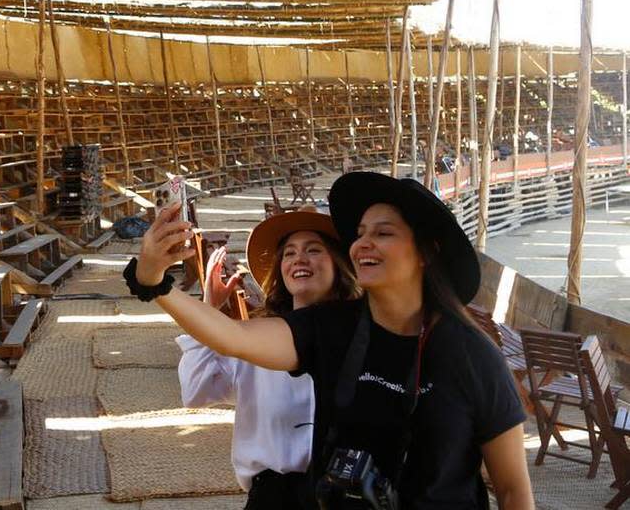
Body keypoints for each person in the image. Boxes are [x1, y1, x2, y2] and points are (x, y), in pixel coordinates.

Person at [128, 172, 533, 509]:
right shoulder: (332, 329)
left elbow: (514, 490)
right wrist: (153, 282)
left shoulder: (474, 355)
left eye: (383, 232)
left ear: (427, 251)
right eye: (359, 233)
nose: (363, 243)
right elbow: (233, 337)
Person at [177, 209, 360, 508]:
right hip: (274, 496)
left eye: (314, 250)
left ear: (339, 265)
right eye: (289, 253)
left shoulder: (364, 339)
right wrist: (209, 308)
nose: (299, 259)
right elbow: (196, 391)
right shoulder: (255, 341)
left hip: (345, 494)